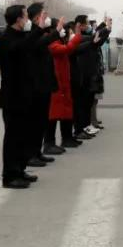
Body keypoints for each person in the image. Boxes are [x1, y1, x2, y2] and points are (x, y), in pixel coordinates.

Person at [0, 4, 56, 189]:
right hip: (13, 95)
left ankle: (20, 169)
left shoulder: (19, 36)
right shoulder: (6, 38)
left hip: (25, 94)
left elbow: (33, 44)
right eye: (25, 16)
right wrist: (39, 28)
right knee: (13, 137)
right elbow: (22, 47)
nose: (27, 20)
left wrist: (44, 30)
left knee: (22, 136)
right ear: (18, 19)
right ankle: (9, 175)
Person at [26, 2, 61, 168]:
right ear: (37, 18)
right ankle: (31, 154)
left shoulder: (41, 33)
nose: (47, 17)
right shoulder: (31, 34)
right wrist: (57, 32)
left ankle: (37, 152)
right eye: (44, 15)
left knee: (42, 121)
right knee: (34, 122)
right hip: (36, 85)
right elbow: (40, 44)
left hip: (45, 83)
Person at [44, 16, 84, 154]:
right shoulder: (51, 43)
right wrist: (77, 36)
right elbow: (67, 49)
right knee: (53, 115)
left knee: (65, 111)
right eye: (61, 27)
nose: (65, 31)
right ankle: (49, 143)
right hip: (56, 82)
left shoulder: (57, 41)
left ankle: (67, 138)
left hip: (63, 82)